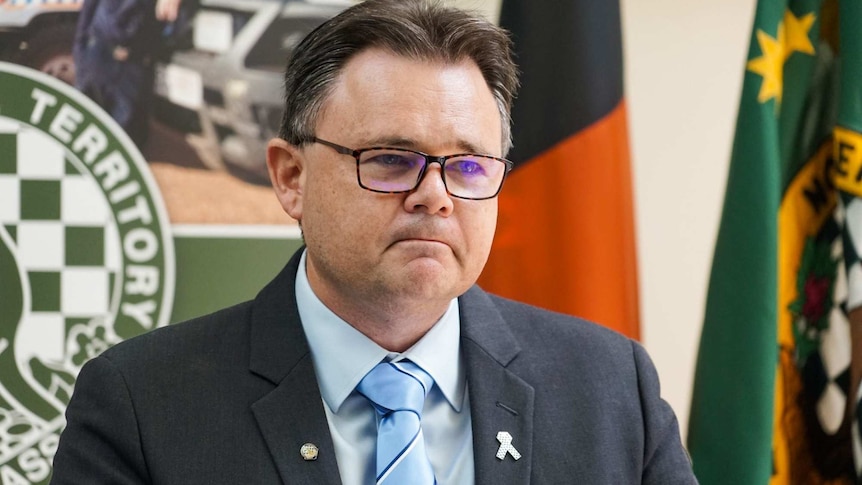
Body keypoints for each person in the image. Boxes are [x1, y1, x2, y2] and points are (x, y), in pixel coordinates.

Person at [51, 0, 699, 483]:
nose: (436, 194)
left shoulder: (612, 389)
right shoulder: (141, 404)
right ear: (291, 177)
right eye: (391, 159)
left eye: (469, 165)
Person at [73, 0, 182, 149]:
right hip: (99, 57)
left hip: (134, 65)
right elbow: (88, 11)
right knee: (85, 130)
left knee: (126, 140)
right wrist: (80, 53)